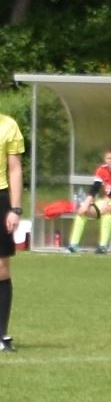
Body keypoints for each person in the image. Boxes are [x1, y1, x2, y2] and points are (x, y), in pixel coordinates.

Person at [67, 145, 111, 254]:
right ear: (105, 159)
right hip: (107, 201)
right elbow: (95, 188)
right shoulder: (101, 169)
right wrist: (85, 204)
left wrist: (106, 203)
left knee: (107, 210)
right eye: (109, 158)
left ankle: (102, 246)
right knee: (83, 211)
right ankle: (73, 245)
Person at [0, 114, 24, 353]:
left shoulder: (8, 125)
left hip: (0, 198)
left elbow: (15, 169)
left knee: (1, 269)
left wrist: (15, 209)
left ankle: (1, 334)